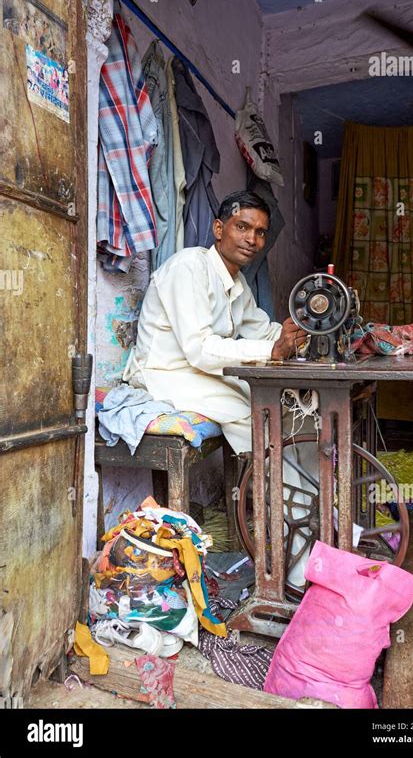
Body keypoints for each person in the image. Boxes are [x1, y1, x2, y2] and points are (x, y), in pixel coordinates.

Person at [123, 190, 314, 586]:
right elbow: (200, 348)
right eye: (242, 227)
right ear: (219, 228)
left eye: (260, 233)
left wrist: (296, 334)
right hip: (164, 373)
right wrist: (271, 349)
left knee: (283, 408)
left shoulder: (236, 284)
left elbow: (263, 331)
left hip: (196, 372)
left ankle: (296, 519)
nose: (251, 239)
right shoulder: (188, 269)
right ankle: (289, 535)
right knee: (254, 409)